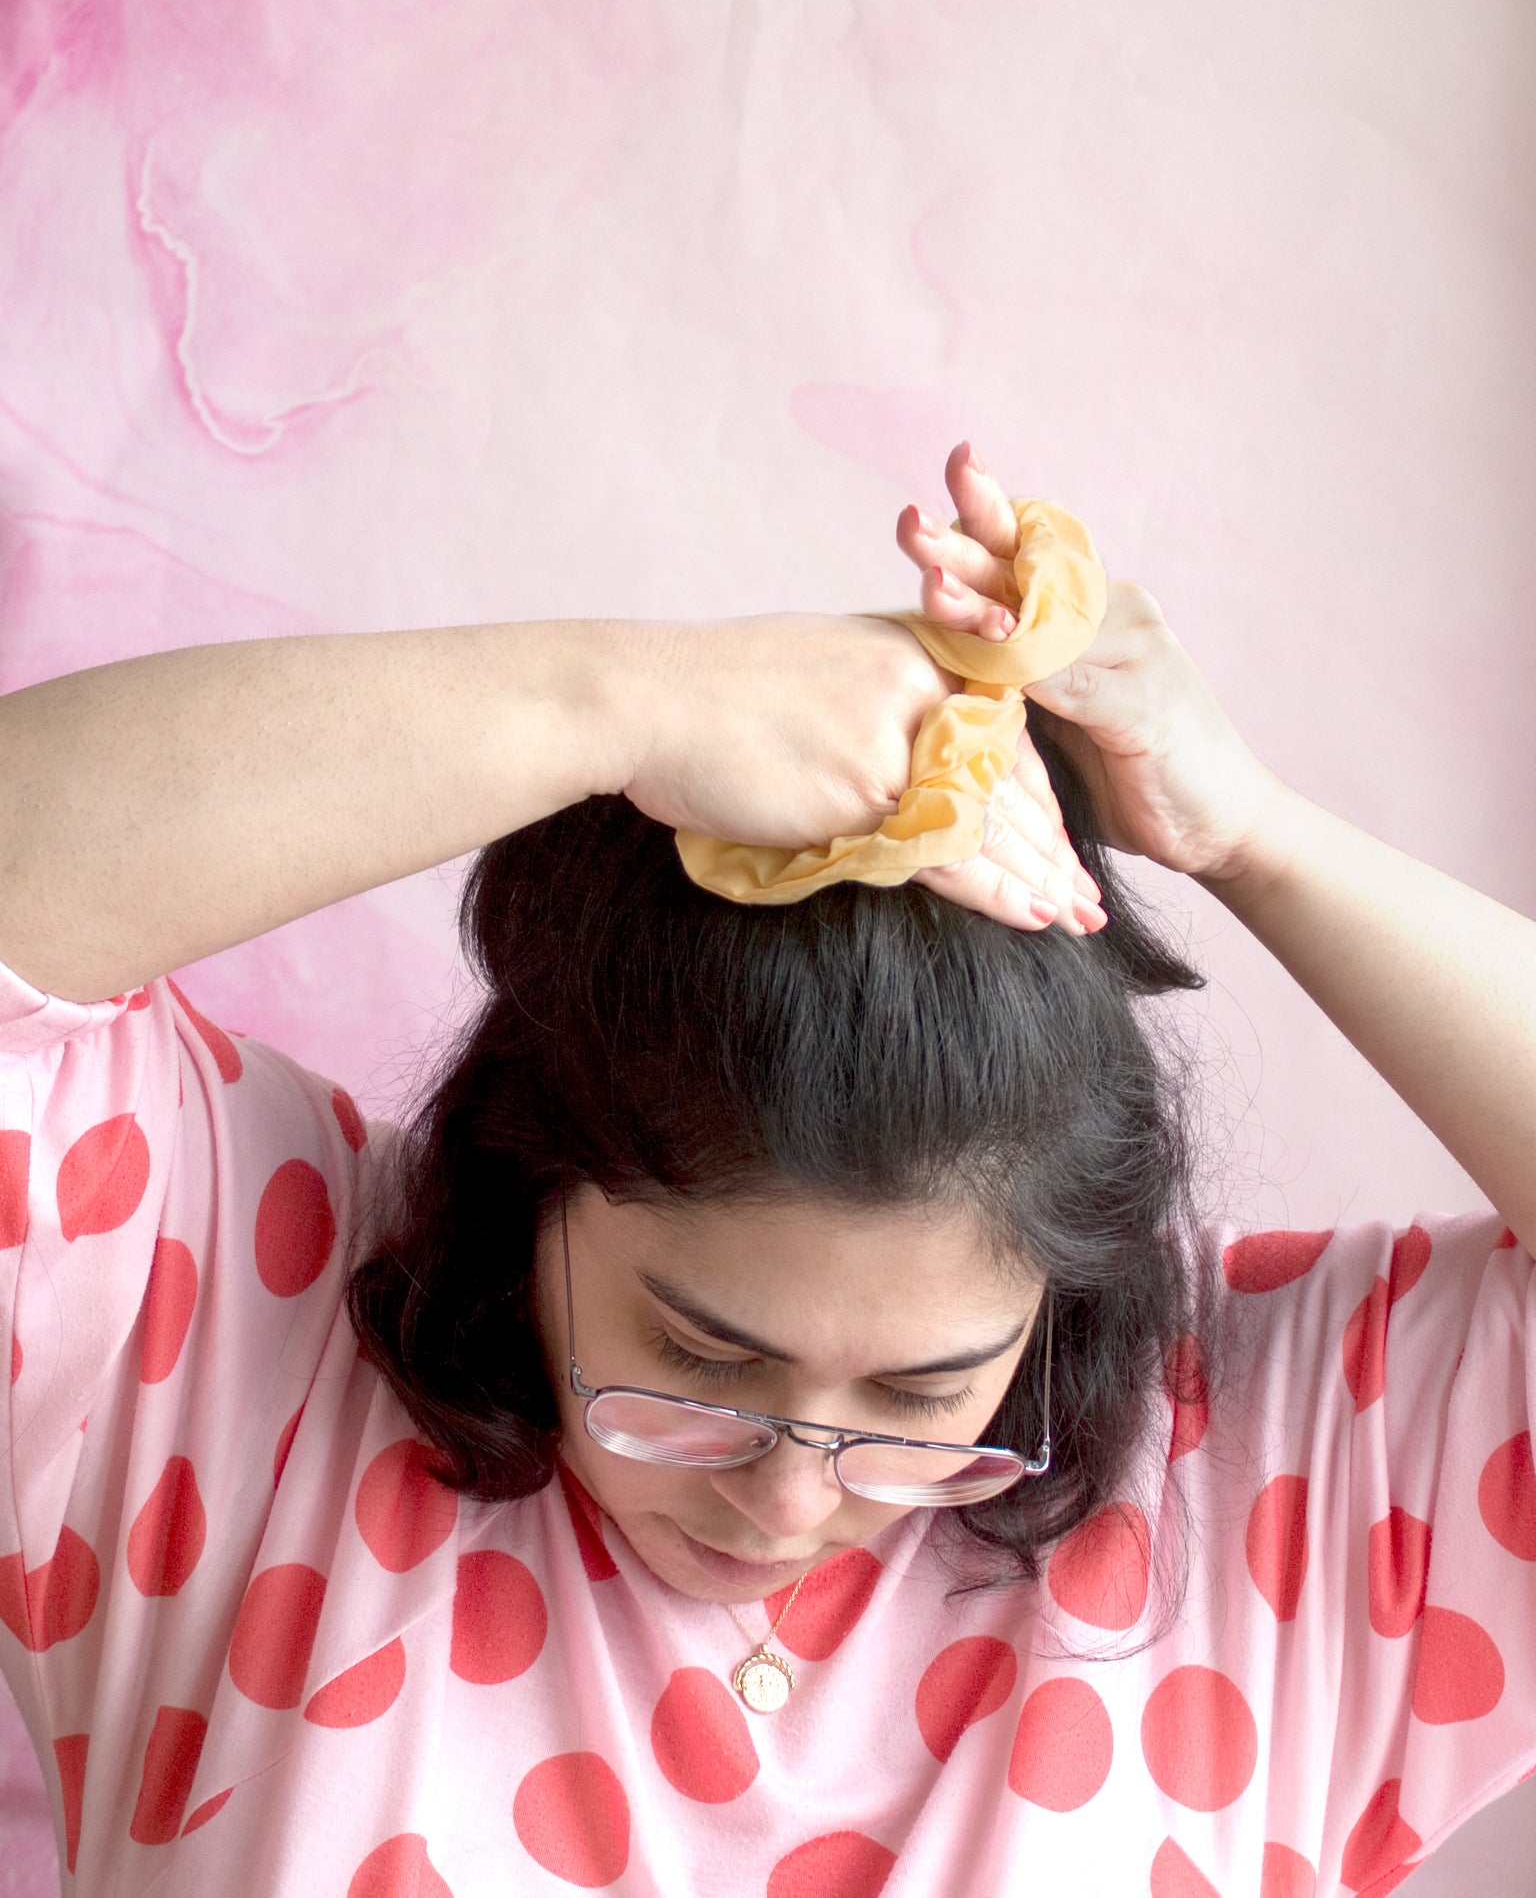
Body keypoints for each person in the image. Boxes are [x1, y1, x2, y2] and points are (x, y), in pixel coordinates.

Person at [0, 440, 1532, 1896]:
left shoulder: (1274, 1464)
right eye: (698, 1357)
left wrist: (1255, 837)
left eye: (924, 1400)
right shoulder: (236, 1324)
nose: (790, 1500)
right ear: (533, 1184)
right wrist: (620, 704)